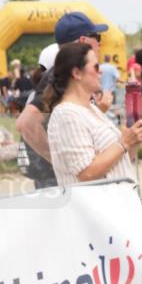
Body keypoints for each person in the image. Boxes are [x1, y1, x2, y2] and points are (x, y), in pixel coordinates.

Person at [45, 43, 142, 187]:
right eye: (96, 67)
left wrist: (137, 130)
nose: (101, 71)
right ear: (77, 73)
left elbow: (121, 160)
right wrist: (124, 142)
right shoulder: (67, 116)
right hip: (95, 201)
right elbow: (86, 173)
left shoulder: (90, 108)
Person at [16, 12, 111, 189]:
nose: (99, 43)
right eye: (97, 37)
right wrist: (57, 160)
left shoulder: (67, 73)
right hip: (56, 180)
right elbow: (26, 123)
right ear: (83, 40)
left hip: (64, 175)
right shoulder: (59, 75)